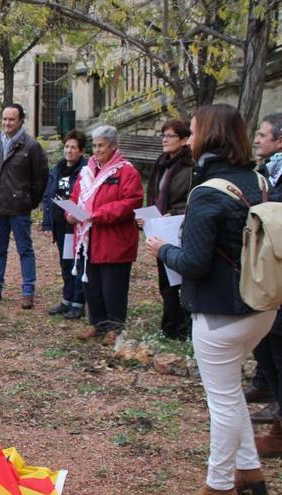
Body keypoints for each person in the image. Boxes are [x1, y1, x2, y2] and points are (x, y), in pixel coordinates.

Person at [147, 104, 275, 495]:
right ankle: (250, 474)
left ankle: (218, 485)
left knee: (221, 404)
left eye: (194, 130)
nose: (189, 137)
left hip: (220, 312)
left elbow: (194, 263)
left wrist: (163, 249)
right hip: (262, 304)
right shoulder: (259, 181)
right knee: (231, 395)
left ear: (209, 136)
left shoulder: (205, 193)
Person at [68, 126, 143, 346]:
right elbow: (75, 196)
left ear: (113, 146)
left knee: (113, 286)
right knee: (91, 284)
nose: (96, 149)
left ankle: (115, 326)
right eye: (95, 145)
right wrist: (70, 213)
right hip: (88, 238)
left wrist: (97, 215)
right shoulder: (87, 170)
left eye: (101, 145)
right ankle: (97, 322)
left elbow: (131, 202)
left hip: (114, 239)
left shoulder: (126, 172)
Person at [0, 103, 48, 309]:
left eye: (11, 119)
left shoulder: (31, 146)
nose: (7, 123)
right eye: (4, 119)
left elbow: (41, 178)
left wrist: (30, 201)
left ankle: (28, 292)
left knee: (25, 250)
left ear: (20, 121)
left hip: (19, 209)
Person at [140, 119, 194, 341]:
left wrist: (174, 212)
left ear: (183, 139)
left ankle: (183, 327)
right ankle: (170, 324)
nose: (164, 139)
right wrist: (147, 216)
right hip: (160, 227)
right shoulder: (161, 163)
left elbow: (192, 198)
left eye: (170, 136)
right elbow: (154, 195)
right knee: (165, 279)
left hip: (179, 228)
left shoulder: (191, 167)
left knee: (180, 279)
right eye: (163, 135)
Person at [250, 112, 282, 451]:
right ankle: (269, 390)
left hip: (277, 267)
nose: (257, 139)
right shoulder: (265, 173)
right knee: (267, 338)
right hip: (264, 270)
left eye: (263, 134)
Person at [41, 129, 88, 319]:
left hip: (77, 225)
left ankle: (78, 302)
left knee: (78, 264)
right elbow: (49, 196)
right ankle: (67, 299)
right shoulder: (58, 169)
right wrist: (47, 223)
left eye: (73, 147)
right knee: (65, 263)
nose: (69, 150)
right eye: (67, 146)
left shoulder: (85, 171)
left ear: (81, 151)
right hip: (61, 224)